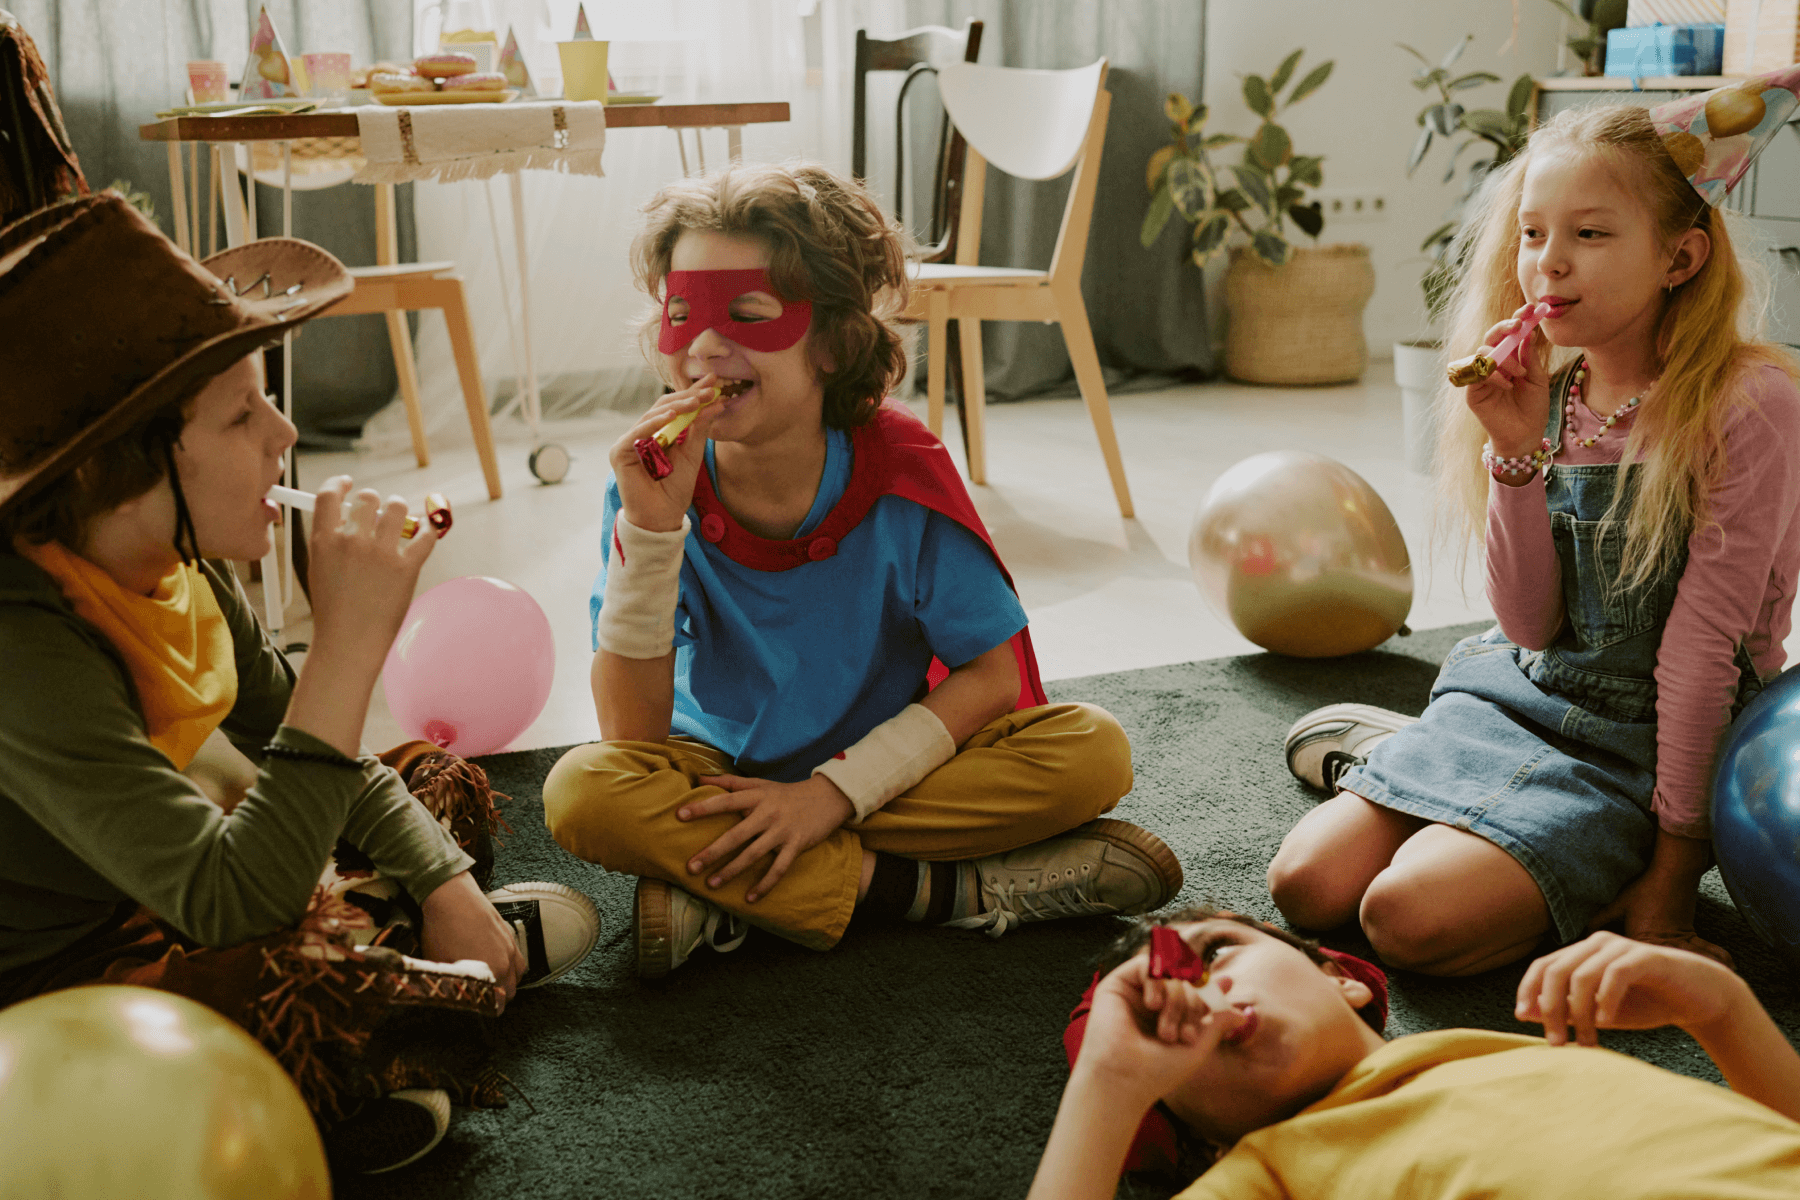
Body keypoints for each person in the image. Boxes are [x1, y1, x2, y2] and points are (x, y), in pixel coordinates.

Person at [0, 193, 599, 1174]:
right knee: (282, 972)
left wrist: (443, 879)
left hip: (158, 892)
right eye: (242, 415)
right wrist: (346, 651)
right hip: (56, 976)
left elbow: (318, 748)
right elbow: (228, 902)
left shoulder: (173, 572)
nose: (284, 432)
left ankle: (413, 970)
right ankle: (374, 1004)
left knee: (430, 782)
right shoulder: (23, 645)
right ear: (122, 464)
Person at [542, 162, 1180, 978]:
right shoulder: (652, 483)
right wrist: (652, 529)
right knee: (582, 791)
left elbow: (987, 678)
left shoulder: (901, 470)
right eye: (680, 315)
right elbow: (630, 738)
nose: (703, 344)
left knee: (1093, 750)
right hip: (719, 775)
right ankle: (930, 893)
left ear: (836, 344)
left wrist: (828, 799)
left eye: (748, 315)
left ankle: (729, 886)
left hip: (887, 761)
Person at [1268, 70, 1800, 975]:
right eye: (1532, 232)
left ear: (1681, 258)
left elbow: (1702, 647)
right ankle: (1424, 771)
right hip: (1525, 693)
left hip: (1653, 742)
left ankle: (1527, 833)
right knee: (1305, 885)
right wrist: (1512, 454)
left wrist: (1673, 875)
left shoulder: (1748, 402)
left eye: (1590, 235)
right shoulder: (1551, 390)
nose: (1548, 263)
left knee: (1405, 918)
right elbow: (1526, 626)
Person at [1040, 907, 1800, 1199]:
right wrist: (1112, 1082)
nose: (1203, 993)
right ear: (1198, 1135)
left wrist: (1722, 1009)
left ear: (1345, 981)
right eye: (1161, 1015)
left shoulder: (1501, 1052)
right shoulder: (1262, 1175)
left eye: (1216, 954)